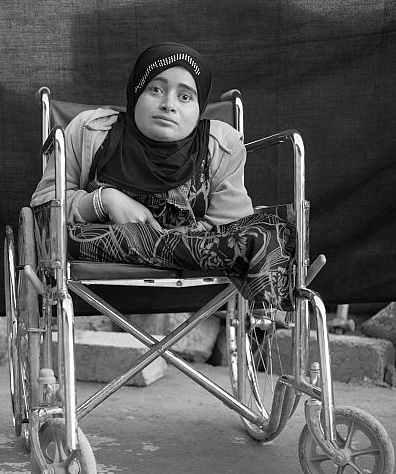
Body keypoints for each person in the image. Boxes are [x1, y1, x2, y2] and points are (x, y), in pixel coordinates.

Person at [31, 42, 295, 308]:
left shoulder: (221, 143)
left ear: (199, 106)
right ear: (136, 92)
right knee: (65, 239)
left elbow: (230, 223)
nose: (169, 105)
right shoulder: (89, 130)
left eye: (185, 97)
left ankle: (263, 319)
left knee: (277, 232)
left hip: (192, 247)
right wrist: (105, 200)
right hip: (106, 243)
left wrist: (171, 237)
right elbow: (45, 212)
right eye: (156, 89)